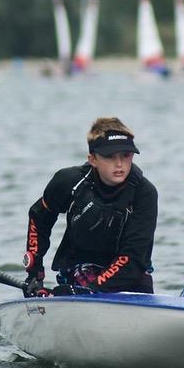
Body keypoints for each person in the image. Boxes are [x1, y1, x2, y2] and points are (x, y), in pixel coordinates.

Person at [22, 117, 158, 296]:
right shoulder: (68, 181)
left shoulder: (144, 193)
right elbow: (39, 218)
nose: (119, 164)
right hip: (80, 268)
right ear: (93, 159)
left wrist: (91, 290)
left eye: (126, 155)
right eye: (110, 156)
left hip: (128, 271)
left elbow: (133, 256)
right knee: (82, 276)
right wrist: (35, 274)